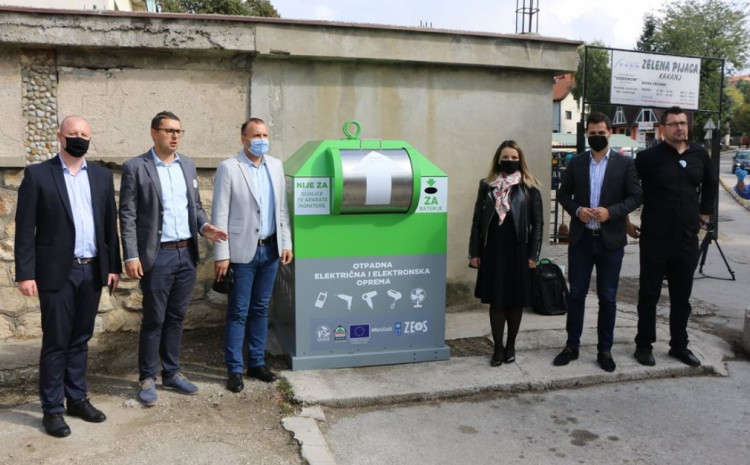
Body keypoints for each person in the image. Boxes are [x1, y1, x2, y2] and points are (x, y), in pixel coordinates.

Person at [15, 116, 122, 437]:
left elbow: (109, 225)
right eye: (73, 133)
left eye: (85, 134)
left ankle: (77, 399)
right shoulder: (38, 175)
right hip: (56, 273)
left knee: (80, 339)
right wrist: (25, 273)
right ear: (60, 137)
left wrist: (113, 266)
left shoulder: (101, 176)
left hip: (92, 269)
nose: (79, 138)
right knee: (56, 342)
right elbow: (25, 229)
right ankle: (52, 409)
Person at [119, 111, 227, 406]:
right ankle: (147, 377)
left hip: (186, 253)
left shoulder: (187, 165)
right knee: (154, 318)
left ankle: (171, 373)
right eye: (169, 130)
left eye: (179, 131)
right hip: (158, 255)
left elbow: (196, 207)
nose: (175, 135)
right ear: (154, 133)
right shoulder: (136, 167)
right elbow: (127, 214)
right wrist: (131, 254)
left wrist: (205, 227)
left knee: (177, 317)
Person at [553, 112, 642, 372]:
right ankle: (572, 346)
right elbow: (563, 194)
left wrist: (611, 212)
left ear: (609, 133)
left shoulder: (625, 164)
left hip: (610, 242)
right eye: (592, 133)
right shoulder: (577, 162)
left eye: (601, 132)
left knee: (608, 297)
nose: (597, 136)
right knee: (576, 295)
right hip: (581, 240)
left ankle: (605, 350)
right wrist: (577, 210)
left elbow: (636, 196)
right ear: (586, 134)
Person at [631, 106, 717, 367]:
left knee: (682, 296)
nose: (680, 127)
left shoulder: (699, 154)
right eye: (674, 124)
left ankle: (679, 346)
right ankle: (644, 345)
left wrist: (704, 214)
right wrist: (625, 221)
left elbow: (711, 184)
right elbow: (629, 189)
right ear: (663, 128)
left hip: (686, 237)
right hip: (655, 237)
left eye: (683, 123)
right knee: (649, 294)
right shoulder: (648, 158)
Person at [212, 117, 293, 392]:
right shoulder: (229, 168)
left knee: (261, 308)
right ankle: (234, 368)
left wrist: (286, 243)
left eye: (265, 135)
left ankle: (257, 363)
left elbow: (281, 209)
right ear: (243, 139)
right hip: (241, 252)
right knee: (238, 311)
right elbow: (220, 213)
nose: (262, 140)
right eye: (256, 135)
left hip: (270, 250)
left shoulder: (276, 166)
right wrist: (221, 255)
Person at [469, 140, 543, 367]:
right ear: (498, 159)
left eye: (514, 158)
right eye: (506, 157)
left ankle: (511, 345)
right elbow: (477, 220)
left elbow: (538, 224)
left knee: (515, 301)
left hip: (519, 250)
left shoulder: (530, 186)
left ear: (520, 160)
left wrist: (534, 255)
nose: (509, 161)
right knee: (497, 301)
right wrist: (473, 252)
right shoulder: (487, 185)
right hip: (492, 250)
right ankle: (498, 348)